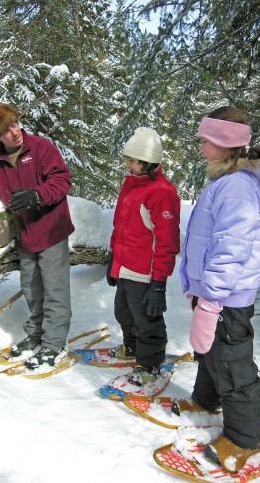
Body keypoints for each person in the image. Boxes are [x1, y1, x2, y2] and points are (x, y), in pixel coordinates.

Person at [179, 106, 260, 472]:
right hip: (213, 292)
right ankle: (207, 401)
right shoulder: (227, 181)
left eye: (205, 139)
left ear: (224, 145)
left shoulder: (237, 188)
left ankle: (244, 438)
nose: (200, 145)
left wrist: (211, 300)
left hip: (226, 298)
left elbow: (231, 249)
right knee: (211, 353)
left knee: (232, 363)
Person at [0, 102, 75, 370]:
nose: (15, 131)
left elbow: (63, 180)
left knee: (55, 292)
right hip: (27, 236)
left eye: (15, 123)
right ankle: (36, 336)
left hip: (52, 231)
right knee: (32, 290)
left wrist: (38, 195)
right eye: (6, 130)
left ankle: (54, 345)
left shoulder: (41, 148)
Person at [106, 127, 181, 387]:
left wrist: (158, 282)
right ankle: (131, 347)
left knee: (147, 321)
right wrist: (113, 259)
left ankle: (150, 365)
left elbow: (167, 241)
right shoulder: (130, 184)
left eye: (133, 160)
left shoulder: (162, 192)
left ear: (147, 163)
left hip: (144, 271)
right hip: (125, 265)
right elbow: (120, 225)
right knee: (123, 313)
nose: (128, 164)